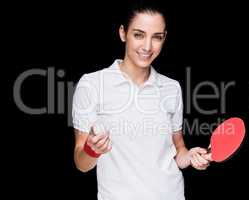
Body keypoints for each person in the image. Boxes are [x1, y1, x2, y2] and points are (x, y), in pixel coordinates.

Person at [72, 1, 210, 199]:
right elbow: (81, 163)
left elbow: (178, 148)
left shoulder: (172, 88)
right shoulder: (91, 84)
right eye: (138, 35)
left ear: (164, 38)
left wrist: (189, 157)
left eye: (157, 37)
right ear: (122, 33)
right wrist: (92, 150)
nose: (147, 46)